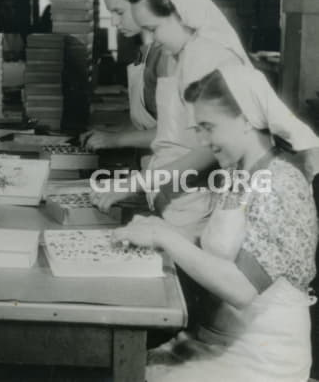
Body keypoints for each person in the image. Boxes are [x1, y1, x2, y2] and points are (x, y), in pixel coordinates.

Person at [114, 65, 319, 382]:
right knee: (122, 367)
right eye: (198, 129)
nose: (203, 140)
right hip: (217, 341)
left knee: (130, 374)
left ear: (246, 120)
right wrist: (158, 232)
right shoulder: (240, 175)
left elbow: (241, 288)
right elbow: (226, 248)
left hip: (263, 359)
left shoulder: (282, 183)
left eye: (209, 127)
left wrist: (166, 237)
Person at [92, 0, 252, 240]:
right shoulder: (180, 53)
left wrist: (138, 182)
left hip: (200, 203)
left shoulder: (213, 57)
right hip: (171, 196)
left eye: (154, 29)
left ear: (180, 14)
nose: (154, 40)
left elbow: (211, 150)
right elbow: (173, 135)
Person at [80, 0, 170, 162]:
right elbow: (146, 121)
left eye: (119, 12)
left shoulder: (165, 55)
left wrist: (115, 139)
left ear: (140, 3)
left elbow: (172, 131)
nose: (113, 22)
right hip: (151, 163)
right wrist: (108, 133)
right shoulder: (143, 53)